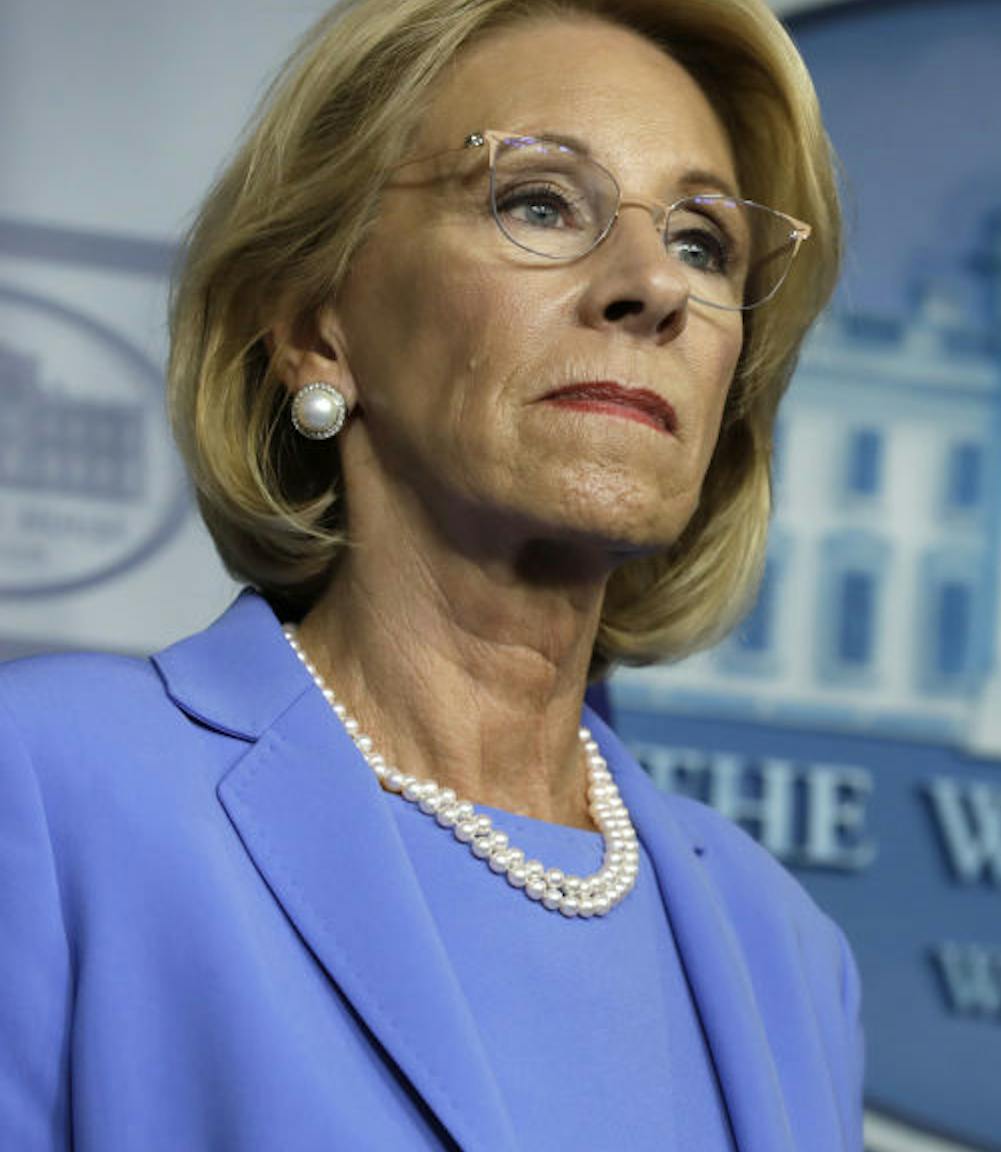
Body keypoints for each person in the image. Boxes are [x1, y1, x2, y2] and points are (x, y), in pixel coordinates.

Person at [0, 0, 860, 1148]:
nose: (652, 284)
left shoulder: (789, 956)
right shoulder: (51, 793)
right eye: (540, 202)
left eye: (703, 242)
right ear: (314, 325)